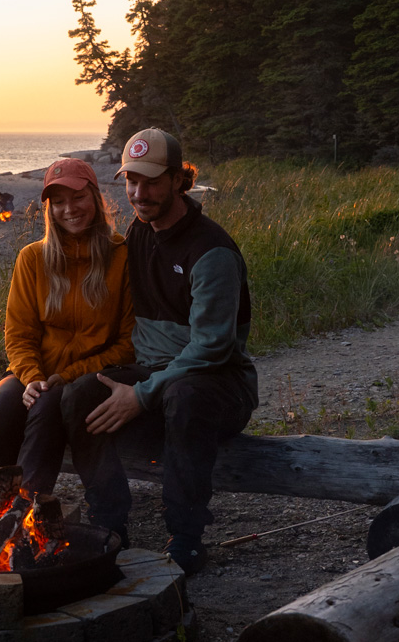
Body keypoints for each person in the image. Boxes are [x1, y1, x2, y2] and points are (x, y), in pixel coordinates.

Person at [62, 129, 257, 574]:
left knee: (183, 396)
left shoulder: (211, 251)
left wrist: (140, 395)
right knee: (78, 395)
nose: (138, 193)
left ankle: (186, 537)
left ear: (177, 180)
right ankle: (109, 525)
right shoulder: (139, 232)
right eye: (131, 181)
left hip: (219, 383)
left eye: (151, 182)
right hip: (152, 374)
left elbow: (211, 347)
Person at [0, 158, 133, 508]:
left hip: (90, 375)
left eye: (78, 197)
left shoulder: (121, 255)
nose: (69, 209)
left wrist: (67, 375)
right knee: (2, 407)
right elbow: (18, 333)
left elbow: (127, 344)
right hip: (36, 372)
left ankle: (27, 513)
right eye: (58, 201)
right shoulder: (32, 258)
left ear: (95, 198)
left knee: (47, 407)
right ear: (49, 209)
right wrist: (32, 376)